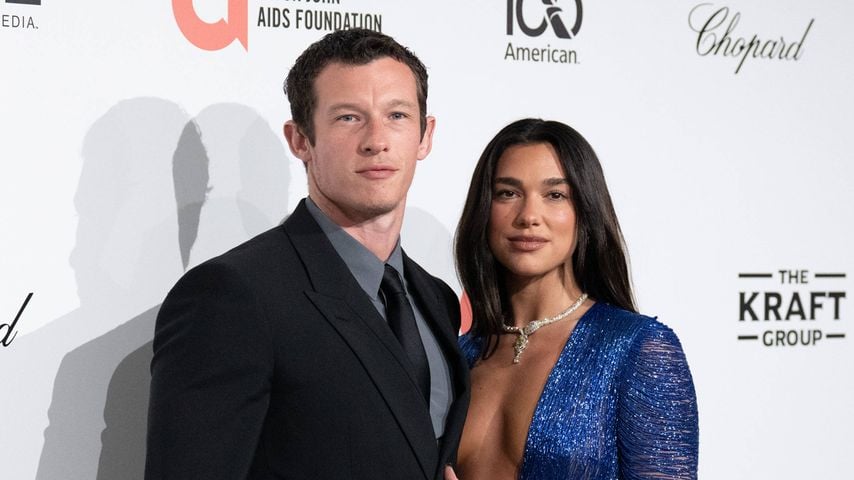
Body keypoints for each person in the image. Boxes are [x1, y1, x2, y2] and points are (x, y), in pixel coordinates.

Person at [145, 28, 470, 480]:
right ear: (300, 140)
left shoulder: (437, 299)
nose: (377, 140)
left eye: (397, 115)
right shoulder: (232, 296)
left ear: (424, 135)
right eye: (348, 118)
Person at [449, 119, 698, 479]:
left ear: (585, 211)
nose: (529, 217)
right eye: (508, 193)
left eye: (555, 195)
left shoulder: (636, 348)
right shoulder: (455, 359)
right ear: (483, 210)